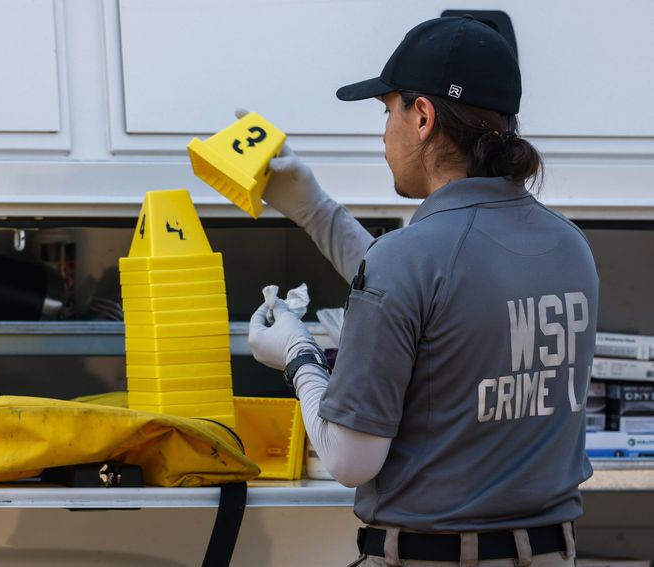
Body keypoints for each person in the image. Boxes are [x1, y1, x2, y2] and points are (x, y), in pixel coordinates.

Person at [247, 15, 598, 567]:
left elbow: (349, 459)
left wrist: (298, 356)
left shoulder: (409, 259)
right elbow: (435, 291)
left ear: (423, 117)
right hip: (553, 553)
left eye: (388, 111)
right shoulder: (570, 247)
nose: (383, 130)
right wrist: (314, 209)